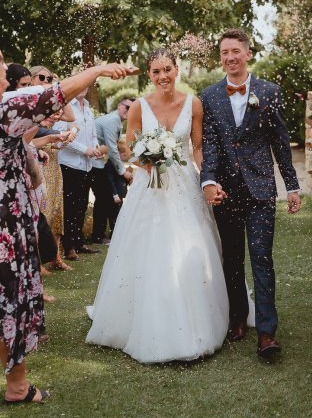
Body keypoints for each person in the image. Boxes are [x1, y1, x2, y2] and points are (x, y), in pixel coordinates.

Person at [0, 52, 138, 403]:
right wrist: (99, 69)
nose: (5, 69)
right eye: (0, 65)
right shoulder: (4, 108)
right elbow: (55, 95)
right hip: (5, 224)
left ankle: (17, 383)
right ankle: (17, 386)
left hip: (11, 216)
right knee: (10, 299)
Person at [86, 48, 230, 363]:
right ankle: (140, 319)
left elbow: (197, 147)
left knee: (192, 247)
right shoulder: (139, 106)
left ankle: (200, 319)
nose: (163, 76)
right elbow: (130, 148)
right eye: (156, 71)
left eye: (167, 69)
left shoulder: (193, 104)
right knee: (147, 249)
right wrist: (150, 162)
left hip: (183, 186)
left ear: (176, 70)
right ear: (149, 75)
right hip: (149, 188)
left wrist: (207, 180)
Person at [201, 28, 301, 359]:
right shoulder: (210, 96)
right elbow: (210, 144)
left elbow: (281, 143)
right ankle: (238, 319)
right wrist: (209, 181)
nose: (230, 57)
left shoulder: (269, 92)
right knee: (231, 259)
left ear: (247, 53)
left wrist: (292, 185)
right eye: (224, 52)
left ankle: (267, 332)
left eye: (235, 51)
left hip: (260, 191)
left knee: (261, 257)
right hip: (226, 192)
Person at [54, 88, 102, 261]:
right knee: (70, 206)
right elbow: (61, 137)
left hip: (87, 166)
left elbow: (93, 134)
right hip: (70, 164)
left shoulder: (87, 109)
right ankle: (69, 247)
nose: (83, 89)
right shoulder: (66, 107)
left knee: (81, 205)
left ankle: (79, 242)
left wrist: (95, 148)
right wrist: (85, 150)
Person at [91, 98, 134, 243]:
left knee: (103, 199)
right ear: (119, 106)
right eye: (127, 107)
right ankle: (98, 236)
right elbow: (113, 149)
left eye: (132, 109)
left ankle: (99, 235)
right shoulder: (112, 121)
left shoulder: (117, 122)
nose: (129, 111)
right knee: (103, 199)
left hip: (98, 161)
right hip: (92, 163)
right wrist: (123, 171)